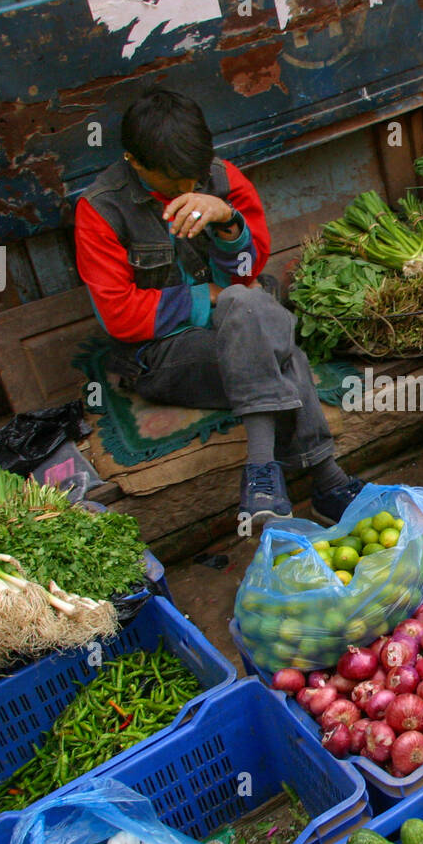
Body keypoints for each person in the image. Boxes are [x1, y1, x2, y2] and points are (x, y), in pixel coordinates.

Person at [74, 86, 365, 528]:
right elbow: (119, 314)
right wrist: (202, 297)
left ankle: (262, 474)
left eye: (193, 178)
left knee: (245, 304)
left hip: (243, 318)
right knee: (276, 344)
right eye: (171, 181)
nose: (188, 188)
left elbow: (250, 267)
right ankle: (326, 478)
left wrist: (228, 221)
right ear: (134, 161)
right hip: (169, 353)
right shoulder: (101, 210)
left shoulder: (223, 179)